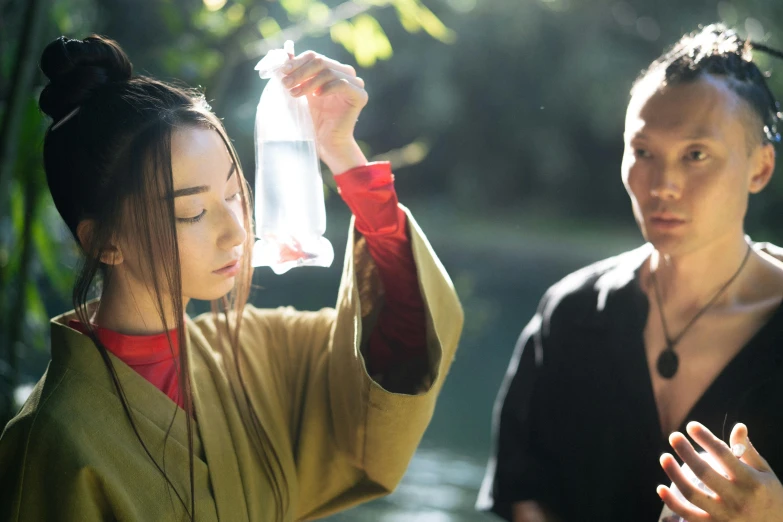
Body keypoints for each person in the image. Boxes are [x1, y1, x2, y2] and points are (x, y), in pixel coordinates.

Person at [0, 35, 463, 521]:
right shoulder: (53, 441)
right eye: (193, 212)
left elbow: (398, 348)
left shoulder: (251, 354)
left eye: (233, 194)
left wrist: (341, 151)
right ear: (102, 241)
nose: (236, 230)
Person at [477, 24, 783, 522]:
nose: (663, 184)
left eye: (696, 155)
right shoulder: (572, 313)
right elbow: (522, 487)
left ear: (761, 168)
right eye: (643, 152)